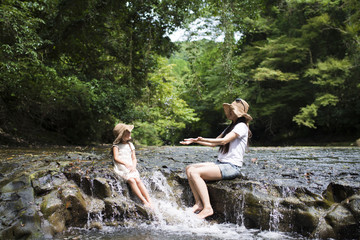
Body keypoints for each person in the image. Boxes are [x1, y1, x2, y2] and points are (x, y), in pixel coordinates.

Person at [180, 98, 252, 219]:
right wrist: (195, 141)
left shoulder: (241, 127)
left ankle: (208, 208)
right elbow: (214, 143)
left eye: (232, 110)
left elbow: (223, 141)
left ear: (238, 113)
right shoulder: (231, 127)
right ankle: (198, 204)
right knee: (189, 168)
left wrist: (202, 139)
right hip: (221, 163)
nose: (229, 112)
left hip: (231, 167)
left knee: (195, 172)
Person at [112, 123, 153, 208]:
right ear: (122, 135)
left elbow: (134, 158)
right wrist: (125, 164)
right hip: (121, 168)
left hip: (131, 167)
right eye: (128, 133)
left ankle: (149, 199)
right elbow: (116, 158)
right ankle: (143, 200)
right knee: (131, 180)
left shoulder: (130, 145)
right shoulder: (116, 146)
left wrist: (134, 166)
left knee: (138, 180)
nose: (130, 134)